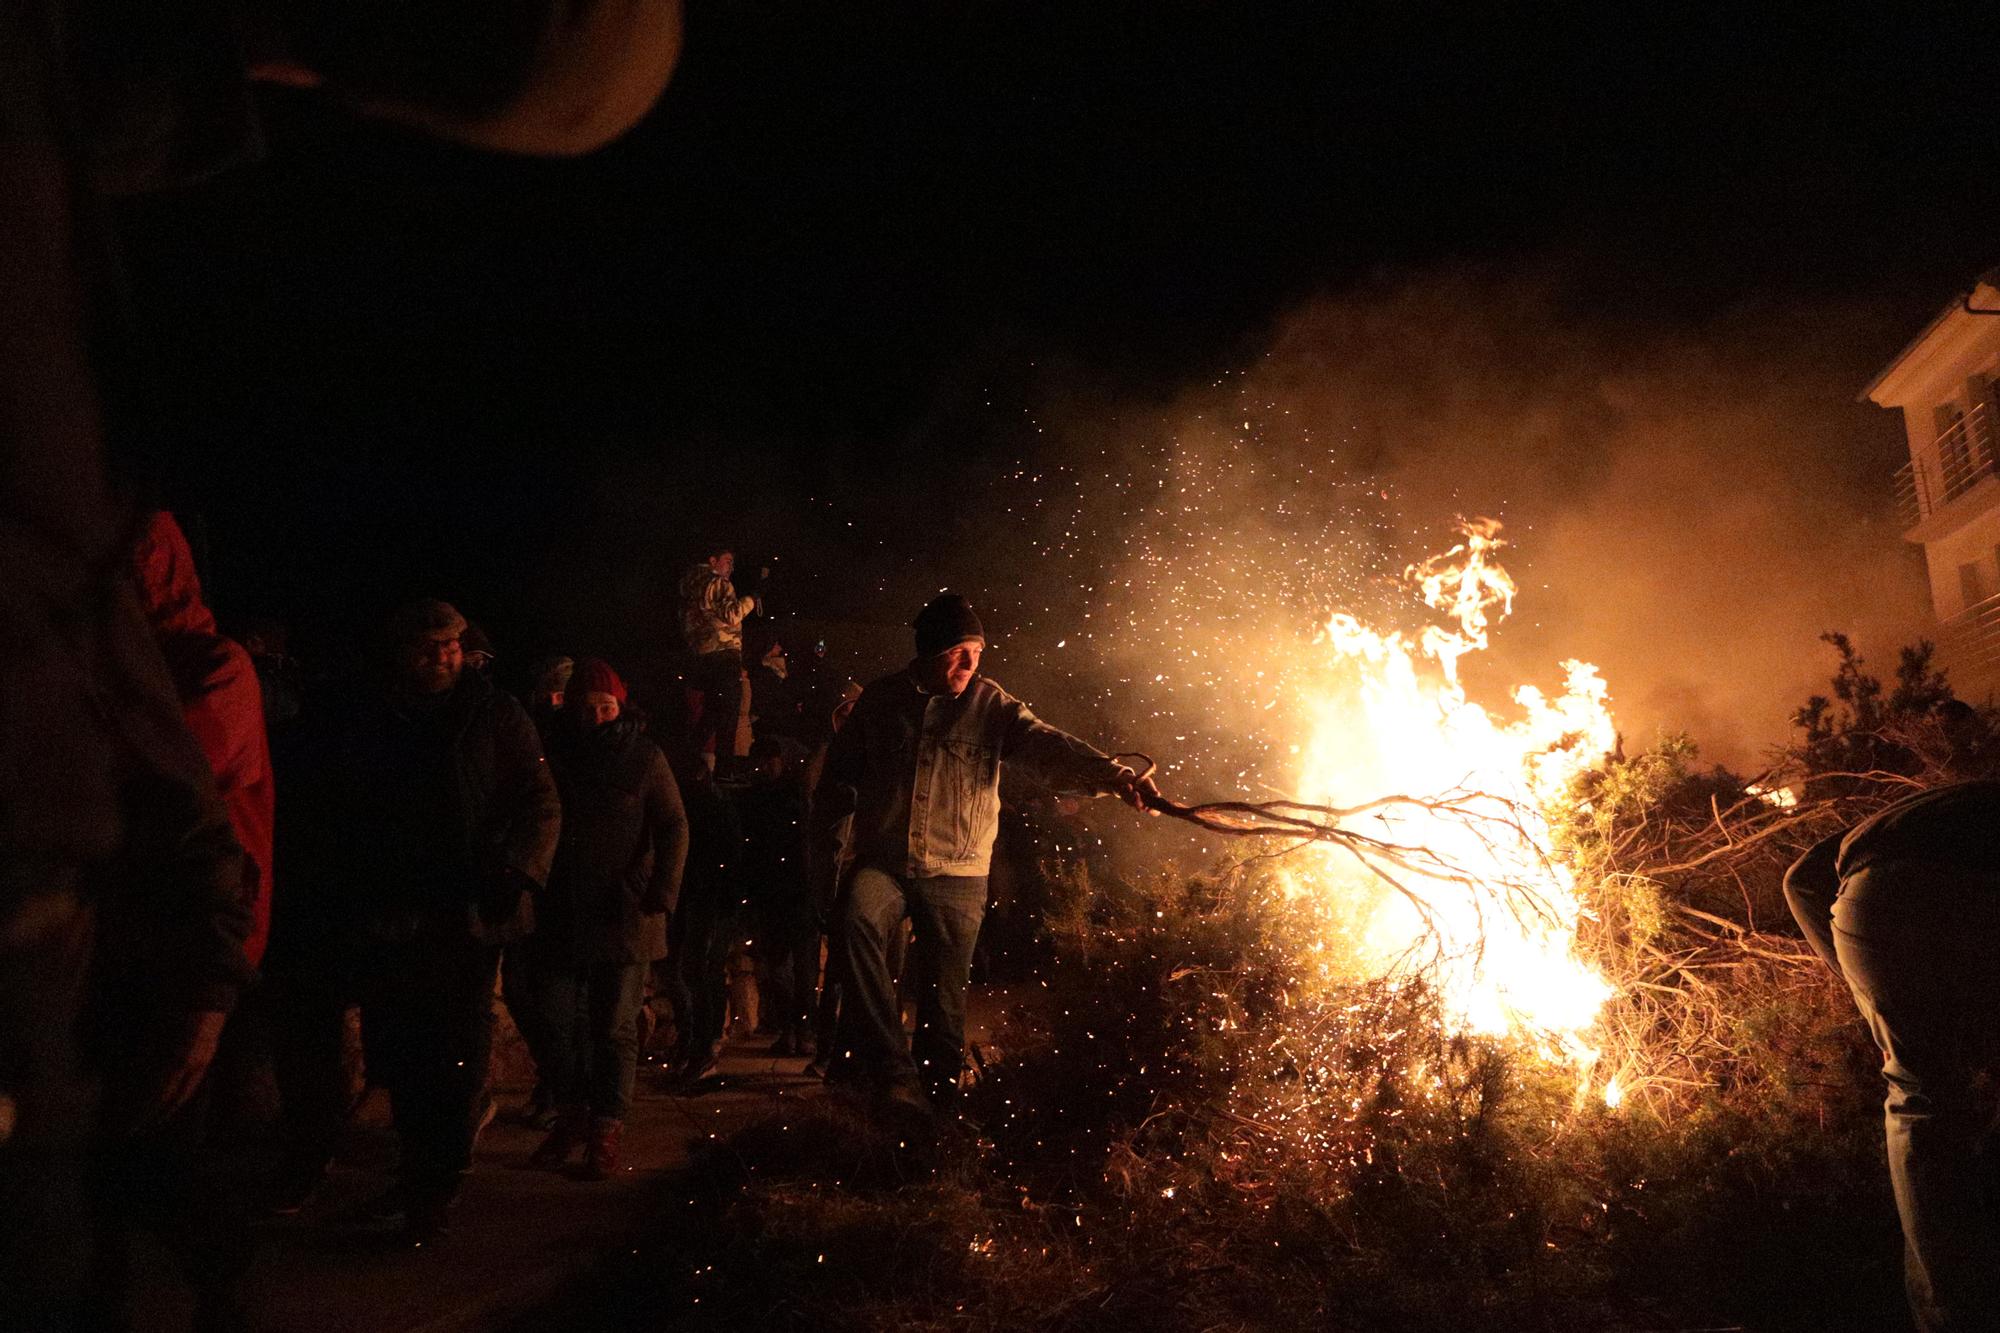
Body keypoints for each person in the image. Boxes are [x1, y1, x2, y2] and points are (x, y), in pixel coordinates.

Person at [811, 593, 1157, 1115]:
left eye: (978, 651)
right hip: (886, 862)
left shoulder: (990, 705)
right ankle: (892, 1072)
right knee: (855, 917)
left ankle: (935, 1120)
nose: (971, 664)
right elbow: (836, 787)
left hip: (958, 872)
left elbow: (1047, 744)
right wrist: (828, 869)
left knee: (944, 1006)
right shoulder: (880, 703)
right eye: (959, 651)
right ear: (928, 652)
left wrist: (1114, 777)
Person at [283, 598, 560, 1239]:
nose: (442, 657)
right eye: (429, 647)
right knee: (401, 1050)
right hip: (393, 911)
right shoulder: (378, 716)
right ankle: (415, 1179)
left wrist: (516, 871)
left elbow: (541, 802)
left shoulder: (494, 714)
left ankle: (435, 1185)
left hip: (466, 912)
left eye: (451, 646)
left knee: (453, 1050)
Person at [1784, 781, 2000, 1333]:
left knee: (1919, 1100)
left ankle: (1945, 1310)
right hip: (1963, 893)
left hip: (1867, 906)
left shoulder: (1943, 806)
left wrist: (1872, 1001)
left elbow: (1801, 880)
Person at [526, 659, 686, 1176]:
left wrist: (661, 890)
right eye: (587, 707)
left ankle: (605, 1130)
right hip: (564, 908)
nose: (596, 716)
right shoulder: (555, 754)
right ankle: (572, 1119)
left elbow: (673, 823)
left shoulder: (642, 756)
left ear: (620, 706)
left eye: (605, 707)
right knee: (552, 1020)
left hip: (625, 911)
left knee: (613, 1027)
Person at [660, 750, 745, 1085]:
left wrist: (722, 900)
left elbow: (728, 859)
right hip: (692, 897)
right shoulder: (695, 805)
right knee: (687, 971)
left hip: (708, 900)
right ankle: (693, 1042)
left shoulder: (714, 808)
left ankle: (704, 1047)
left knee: (701, 972)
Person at [739, 736, 816, 1056]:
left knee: (804, 969)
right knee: (779, 967)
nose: (766, 767)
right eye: (762, 761)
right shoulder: (757, 797)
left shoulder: (799, 795)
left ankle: (806, 1031)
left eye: (771, 760)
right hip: (773, 893)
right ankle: (789, 1030)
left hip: (801, 891)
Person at [679, 546, 757, 773]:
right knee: (728, 712)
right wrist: (752, 599)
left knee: (713, 711)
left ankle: (688, 758)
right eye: (727, 561)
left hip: (701, 656)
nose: (731, 567)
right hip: (724, 655)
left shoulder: (689, 586)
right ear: (712, 560)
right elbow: (732, 615)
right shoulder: (719, 583)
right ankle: (726, 770)